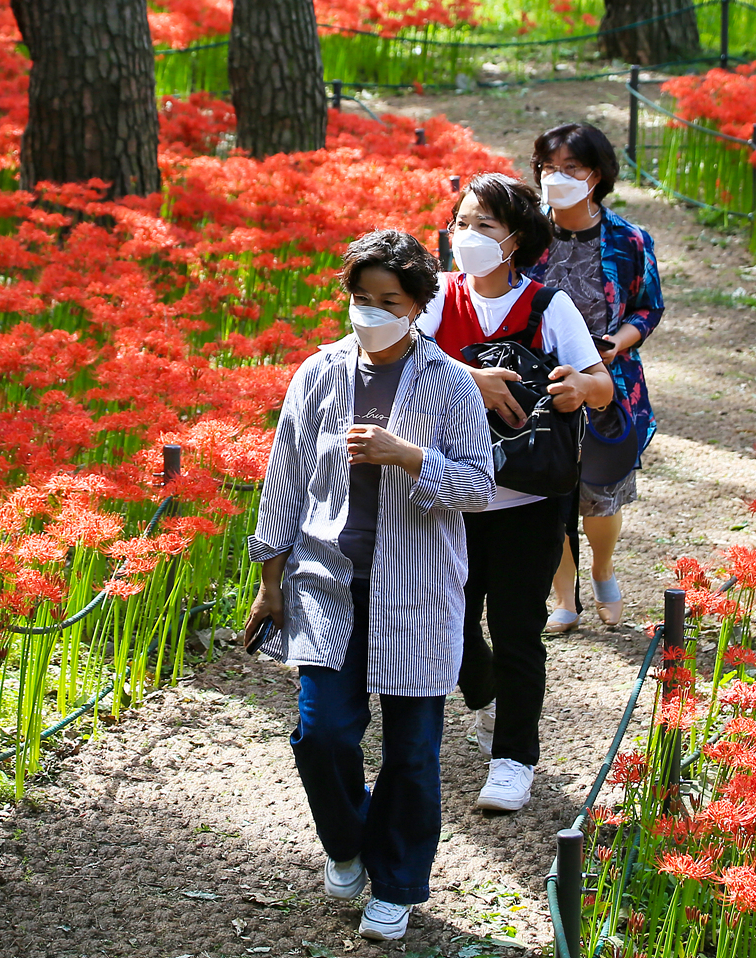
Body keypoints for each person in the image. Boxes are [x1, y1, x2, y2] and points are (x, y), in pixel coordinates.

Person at [244, 229, 495, 943]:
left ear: (418, 306)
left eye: (389, 300)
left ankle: (400, 881)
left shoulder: (449, 381)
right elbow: (284, 478)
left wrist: (410, 456)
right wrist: (270, 581)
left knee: (413, 749)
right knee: (321, 733)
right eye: (361, 297)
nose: (372, 311)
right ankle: (348, 839)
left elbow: (478, 484)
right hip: (326, 581)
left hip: (416, 587)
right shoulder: (319, 372)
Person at [413, 174, 614, 813]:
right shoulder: (438, 300)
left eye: (484, 227)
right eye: (461, 224)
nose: (465, 238)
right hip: (449, 497)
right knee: (450, 622)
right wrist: (471, 375)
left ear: (517, 239)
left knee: (518, 627)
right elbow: (400, 363)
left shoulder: (550, 306)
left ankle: (513, 760)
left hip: (528, 498)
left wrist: (579, 391)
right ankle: (484, 695)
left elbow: (601, 384)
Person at [531, 122, 665, 632]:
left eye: (571, 168)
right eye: (548, 167)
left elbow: (647, 308)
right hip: (541, 380)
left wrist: (614, 344)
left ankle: (603, 569)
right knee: (552, 488)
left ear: (597, 175)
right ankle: (564, 595)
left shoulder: (628, 240)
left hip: (610, 381)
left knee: (600, 490)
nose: (556, 177)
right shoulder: (527, 235)